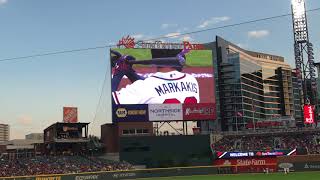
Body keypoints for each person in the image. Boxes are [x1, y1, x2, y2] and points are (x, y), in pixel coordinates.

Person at [111, 49, 199, 104]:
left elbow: (111, 102)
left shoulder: (143, 87)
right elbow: (153, 85)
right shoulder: (192, 80)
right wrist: (129, 72)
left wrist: (118, 72)